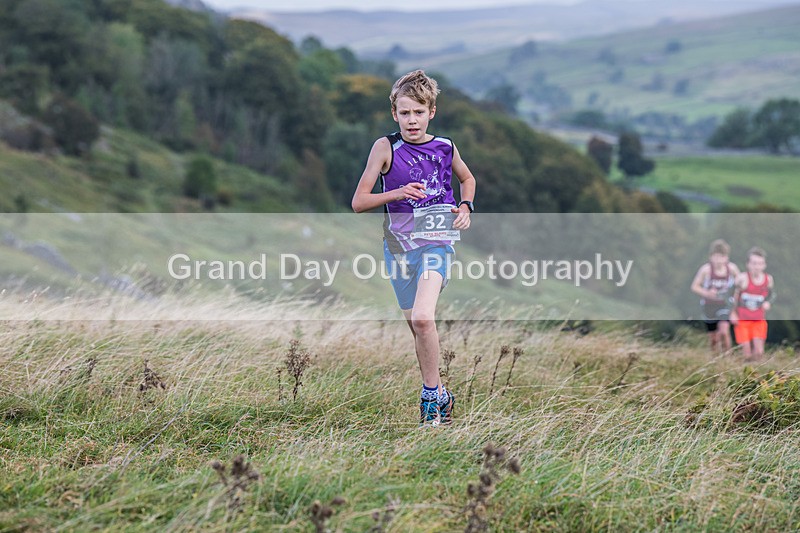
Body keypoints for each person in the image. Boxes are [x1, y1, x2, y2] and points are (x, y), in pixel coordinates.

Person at [351, 70, 477, 426]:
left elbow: (467, 179)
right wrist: (398, 192)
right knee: (418, 329)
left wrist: (466, 207)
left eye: (418, 112)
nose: (412, 120)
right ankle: (442, 394)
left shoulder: (445, 147)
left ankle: (429, 406)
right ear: (395, 114)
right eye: (404, 113)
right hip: (398, 251)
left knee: (424, 318)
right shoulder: (385, 148)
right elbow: (359, 202)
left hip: (436, 245)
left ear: (431, 112)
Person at [690, 239, 740, 352]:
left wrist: (734, 303)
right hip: (709, 306)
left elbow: (740, 285)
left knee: (724, 331)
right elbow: (694, 286)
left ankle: (728, 357)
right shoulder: (706, 270)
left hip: (725, 305)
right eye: (716, 257)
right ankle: (715, 360)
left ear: (727, 258)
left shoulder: (732, 269)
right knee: (713, 338)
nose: (719, 261)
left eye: (722, 257)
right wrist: (707, 293)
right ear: (711, 257)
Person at [729, 247, 775, 361]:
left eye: (760, 263)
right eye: (754, 263)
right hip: (742, 320)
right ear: (748, 264)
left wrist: (768, 303)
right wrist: (732, 313)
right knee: (746, 354)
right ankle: (745, 377)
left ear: (764, 265)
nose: (757, 267)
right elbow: (731, 297)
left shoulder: (768, 279)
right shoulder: (742, 279)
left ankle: (757, 376)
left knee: (759, 352)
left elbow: (772, 295)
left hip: (758, 320)